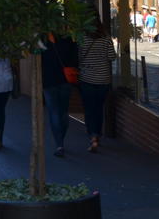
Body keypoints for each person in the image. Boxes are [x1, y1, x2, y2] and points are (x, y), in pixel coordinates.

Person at [77, 11, 117, 153]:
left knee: (89, 109)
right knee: (99, 108)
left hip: (86, 78)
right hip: (103, 79)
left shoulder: (82, 38)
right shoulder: (106, 38)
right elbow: (112, 56)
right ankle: (97, 135)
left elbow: (79, 57)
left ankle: (92, 136)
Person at [41, 31, 78, 157]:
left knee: (54, 112)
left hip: (49, 81)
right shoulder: (68, 39)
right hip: (65, 80)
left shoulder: (42, 41)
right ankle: (61, 139)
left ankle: (59, 143)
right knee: (63, 111)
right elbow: (75, 59)